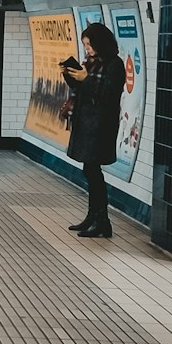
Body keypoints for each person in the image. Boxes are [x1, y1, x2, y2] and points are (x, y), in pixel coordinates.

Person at [63, 22, 126, 238]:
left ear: (100, 43)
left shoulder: (115, 65)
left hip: (101, 127)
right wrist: (70, 75)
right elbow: (81, 89)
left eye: (89, 45)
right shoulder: (91, 63)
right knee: (89, 170)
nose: (87, 49)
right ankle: (93, 217)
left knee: (92, 171)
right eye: (85, 45)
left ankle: (102, 221)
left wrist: (85, 79)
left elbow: (108, 94)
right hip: (87, 123)